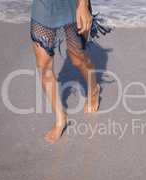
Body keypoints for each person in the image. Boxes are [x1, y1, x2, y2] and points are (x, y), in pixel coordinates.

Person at [30, 0, 100, 144]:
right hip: (43, 7)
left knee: (78, 60)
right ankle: (60, 119)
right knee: (43, 67)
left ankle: (94, 89)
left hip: (72, 5)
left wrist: (83, 5)